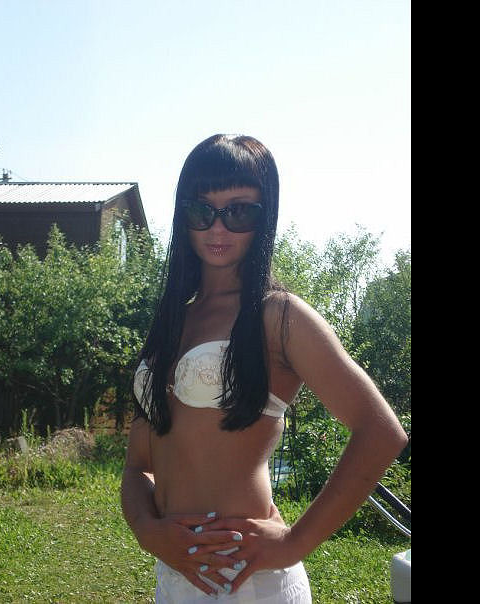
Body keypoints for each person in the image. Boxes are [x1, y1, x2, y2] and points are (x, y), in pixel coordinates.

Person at [121, 134, 408, 602]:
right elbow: (138, 464)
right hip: (173, 579)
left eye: (238, 212)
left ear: (264, 215)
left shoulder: (278, 316)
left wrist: (295, 542)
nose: (218, 228)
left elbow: (381, 432)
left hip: (250, 582)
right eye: (201, 210)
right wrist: (147, 530)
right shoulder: (174, 319)